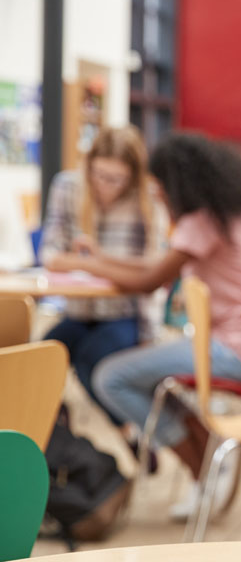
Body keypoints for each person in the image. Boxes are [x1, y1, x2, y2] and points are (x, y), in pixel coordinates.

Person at [50, 132, 241, 520]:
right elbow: (154, 268)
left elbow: (148, 281)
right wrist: (101, 259)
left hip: (235, 351)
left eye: (159, 188)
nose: (158, 196)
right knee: (142, 378)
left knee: (112, 377)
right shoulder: (226, 215)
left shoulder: (199, 223)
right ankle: (208, 454)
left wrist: (83, 264)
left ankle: (202, 470)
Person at [38, 126, 165, 428]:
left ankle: (132, 435)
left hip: (124, 313)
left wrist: (149, 334)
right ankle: (58, 440)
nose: (104, 185)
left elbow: (152, 274)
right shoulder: (68, 187)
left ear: (132, 176)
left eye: (115, 179)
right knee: (40, 360)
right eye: (98, 174)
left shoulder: (147, 199)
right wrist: (110, 267)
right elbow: (50, 256)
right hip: (79, 311)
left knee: (92, 361)